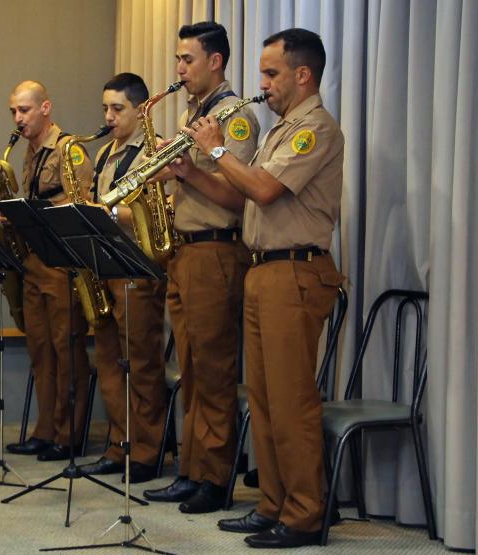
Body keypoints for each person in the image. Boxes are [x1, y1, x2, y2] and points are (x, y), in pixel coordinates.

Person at [184, 28, 345, 548]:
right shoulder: (281, 128)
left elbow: (265, 190)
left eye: (272, 73)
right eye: (262, 73)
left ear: (303, 75)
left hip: (294, 272)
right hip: (263, 270)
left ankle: (303, 513)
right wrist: (192, 168)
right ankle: (273, 503)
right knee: (264, 398)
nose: (263, 84)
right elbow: (245, 196)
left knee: (291, 399)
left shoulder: (313, 128)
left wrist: (213, 152)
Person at [141, 21, 259, 514]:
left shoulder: (233, 118)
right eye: (176, 59)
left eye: (187, 59)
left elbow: (237, 196)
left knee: (213, 370)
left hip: (216, 250)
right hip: (185, 251)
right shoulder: (196, 113)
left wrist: (187, 172)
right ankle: (192, 469)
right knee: (189, 367)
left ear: (216, 62)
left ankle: (215, 478)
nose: (178, 69)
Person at [75, 73, 167, 485]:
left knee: (142, 364)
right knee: (111, 364)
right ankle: (119, 444)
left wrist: (105, 212)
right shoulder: (107, 152)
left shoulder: (154, 150)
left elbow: (157, 209)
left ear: (141, 109)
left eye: (118, 109)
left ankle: (146, 452)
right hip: (105, 267)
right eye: (105, 109)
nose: (108, 117)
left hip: (137, 270)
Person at [4, 80, 94, 461]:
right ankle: (46, 429)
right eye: (13, 112)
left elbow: (81, 200)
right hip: (34, 260)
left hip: (62, 262)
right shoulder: (29, 150)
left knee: (66, 347)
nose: (18, 118)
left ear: (45, 108)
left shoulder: (68, 149)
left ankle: (69, 434)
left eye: (24, 110)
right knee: (40, 350)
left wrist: (37, 210)